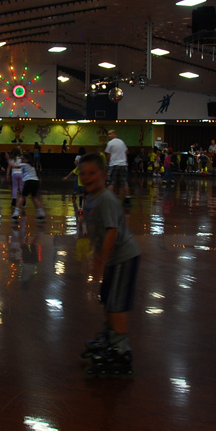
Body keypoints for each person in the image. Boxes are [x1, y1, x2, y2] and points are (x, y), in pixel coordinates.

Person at [78, 154, 140, 377]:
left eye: (92, 173)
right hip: (112, 258)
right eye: (83, 173)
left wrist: (100, 259)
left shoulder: (105, 198)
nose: (87, 177)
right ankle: (111, 336)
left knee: (116, 304)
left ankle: (121, 349)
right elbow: (97, 230)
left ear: (104, 175)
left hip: (123, 257)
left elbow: (112, 230)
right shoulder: (91, 198)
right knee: (107, 297)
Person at [14, 148, 46, 220]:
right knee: (34, 197)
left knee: (22, 197)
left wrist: (8, 160)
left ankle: (16, 213)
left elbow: (15, 166)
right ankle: (40, 212)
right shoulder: (32, 166)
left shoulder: (24, 164)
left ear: (27, 160)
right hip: (36, 182)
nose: (21, 160)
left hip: (29, 181)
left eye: (23, 159)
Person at [104, 129, 130, 205]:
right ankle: (128, 198)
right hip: (123, 164)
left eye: (110, 134)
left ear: (114, 134)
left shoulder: (110, 143)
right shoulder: (122, 142)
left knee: (111, 182)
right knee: (124, 182)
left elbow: (108, 155)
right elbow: (126, 152)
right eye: (108, 134)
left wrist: (107, 164)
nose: (109, 136)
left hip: (114, 164)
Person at [9, 147, 25, 213]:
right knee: (21, 188)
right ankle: (24, 203)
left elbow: (9, 167)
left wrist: (7, 175)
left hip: (14, 174)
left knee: (15, 188)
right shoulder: (21, 158)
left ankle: (13, 203)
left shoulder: (12, 158)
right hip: (21, 174)